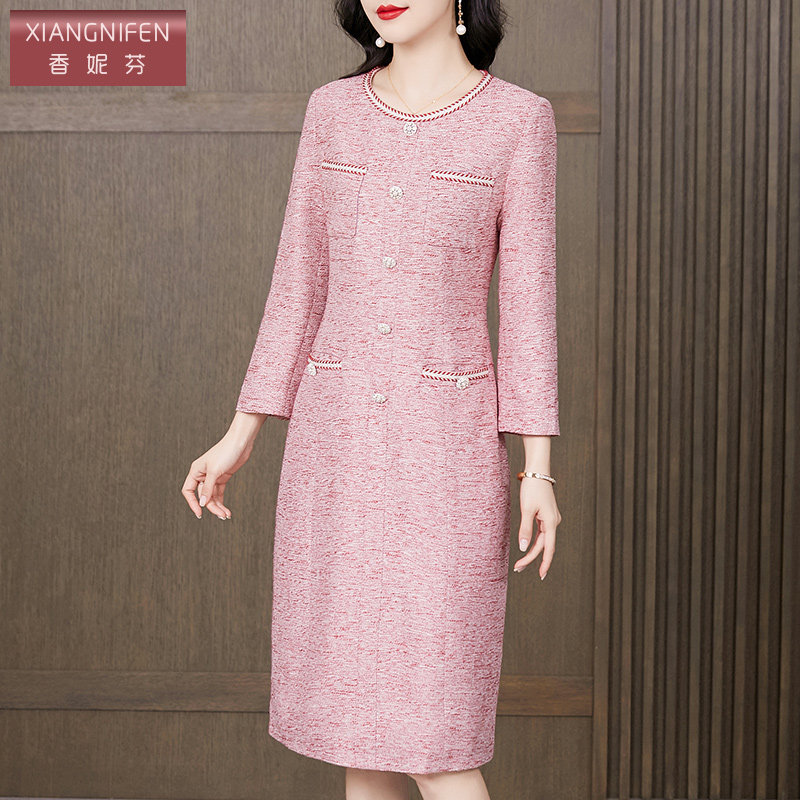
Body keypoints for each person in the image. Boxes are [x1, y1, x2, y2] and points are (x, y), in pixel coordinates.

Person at [181, 0, 563, 797]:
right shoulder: (332, 113)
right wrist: (240, 431)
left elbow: (528, 307)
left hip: (447, 458)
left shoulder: (519, 121)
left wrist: (537, 470)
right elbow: (298, 285)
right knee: (363, 738)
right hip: (338, 451)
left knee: (436, 739)